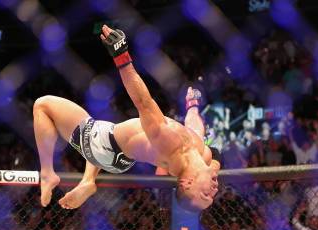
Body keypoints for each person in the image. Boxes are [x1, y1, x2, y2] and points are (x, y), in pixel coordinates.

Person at [33, 25, 219, 212]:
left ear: (187, 183)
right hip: (119, 149)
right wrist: (192, 106)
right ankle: (87, 180)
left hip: (104, 145)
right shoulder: (203, 154)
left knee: (42, 105)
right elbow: (195, 128)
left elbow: (143, 102)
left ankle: (48, 173)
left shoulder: (171, 145)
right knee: (108, 125)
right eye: (211, 197)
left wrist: (121, 56)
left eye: (205, 195)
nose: (214, 191)